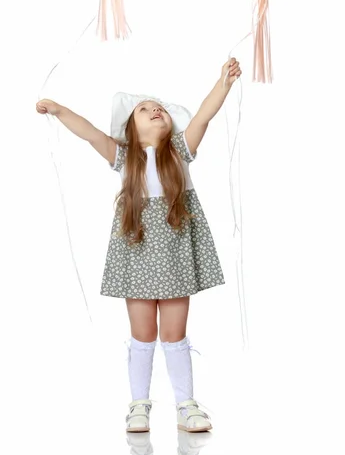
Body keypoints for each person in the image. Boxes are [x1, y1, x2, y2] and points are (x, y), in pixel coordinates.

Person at [36, 57, 242, 433]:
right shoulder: (125, 157)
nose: (155, 110)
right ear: (131, 129)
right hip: (139, 252)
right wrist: (61, 110)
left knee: (175, 334)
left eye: (158, 108)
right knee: (143, 334)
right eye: (144, 110)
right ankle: (138, 405)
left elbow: (204, 118)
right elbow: (91, 133)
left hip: (176, 254)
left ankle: (186, 404)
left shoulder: (180, 150)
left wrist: (223, 84)